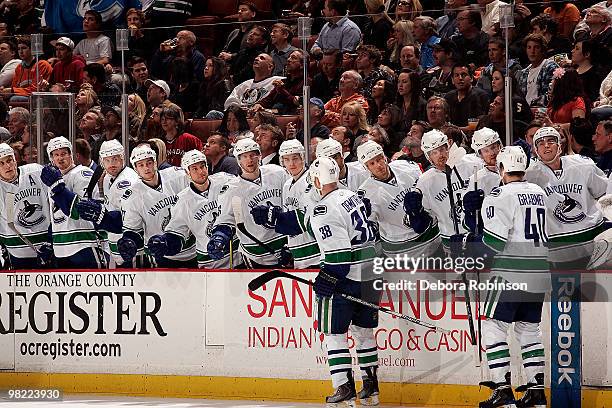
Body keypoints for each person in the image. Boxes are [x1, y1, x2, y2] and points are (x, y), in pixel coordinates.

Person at [464, 146, 549, 408]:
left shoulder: (499, 194)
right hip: (538, 270)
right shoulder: (538, 191)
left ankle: (502, 389)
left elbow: (494, 243)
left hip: (510, 271)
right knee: (529, 329)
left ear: (501, 169)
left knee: (493, 325)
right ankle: (536, 391)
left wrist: (470, 235)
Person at [305, 156, 379, 407]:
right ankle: (370, 386)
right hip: (370, 275)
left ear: (317, 180)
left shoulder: (322, 209)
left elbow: (338, 259)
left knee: (334, 334)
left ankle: (343, 386)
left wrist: (326, 280)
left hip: (346, 279)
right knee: (364, 333)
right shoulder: (351, 196)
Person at [526, 126, 607, 266]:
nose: (546, 145)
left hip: (592, 239)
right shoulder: (529, 176)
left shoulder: (583, 165)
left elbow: (604, 194)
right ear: (535, 149)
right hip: (557, 247)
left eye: (551, 141)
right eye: (540, 143)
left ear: (560, 145)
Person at [147, 150, 241, 269]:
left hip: (237, 256)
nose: (200, 171)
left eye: (202, 166)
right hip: (209, 262)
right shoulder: (182, 200)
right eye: (195, 169)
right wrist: (166, 243)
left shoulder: (225, 181)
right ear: (187, 172)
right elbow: (177, 231)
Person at [207, 138, 289, 268]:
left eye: (252, 155)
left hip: (284, 247)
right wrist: (219, 236)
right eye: (244, 156)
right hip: (254, 254)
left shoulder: (277, 173)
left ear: (259, 156)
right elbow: (226, 219)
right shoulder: (231, 189)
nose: (249, 160)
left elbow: (291, 202)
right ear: (238, 160)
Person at [357, 139, 440, 258]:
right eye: (372, 163)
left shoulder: (406, 167)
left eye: (379, 159)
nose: (378, 165)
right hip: (402, 251)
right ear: (366, 168)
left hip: (432, 237)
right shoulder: (366, 194)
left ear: (385, 157)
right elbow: (367, 231)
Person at [117, 144, 195, 268]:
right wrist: (129, 241)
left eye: (149, 163)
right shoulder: (132, 196)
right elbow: (133, 230)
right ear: (135, 168)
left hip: (192, 249)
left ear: (155, 162)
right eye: (141, 165)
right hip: (161, 255)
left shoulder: (178, 176)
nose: (146, 168)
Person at [403, 129, 479, 248]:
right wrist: (415, 213)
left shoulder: (470, 164)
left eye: (442, 149)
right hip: (450, 241)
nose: (440, 155)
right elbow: (422, 225)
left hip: (477, 236)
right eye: (434, 152)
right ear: (428, 156)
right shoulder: (425, 181)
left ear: (448, 147)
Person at [250, 139, 320, 268]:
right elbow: (289, 212)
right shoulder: (287, 184)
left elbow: (309, 218)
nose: (291, 164)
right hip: (299, 257)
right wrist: (288, 246)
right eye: (286, 160)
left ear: (303, 158)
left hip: (316, 256)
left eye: (295, 158)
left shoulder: (311, 180)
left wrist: (276, 218)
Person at [40, 136, 107, 268]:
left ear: (71, 155)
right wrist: (50, 241)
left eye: (64, 153)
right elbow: (56, 215)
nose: (60, 158)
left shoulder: (82, 173)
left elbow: (79, 211)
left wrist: (59, 189)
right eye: (56, 155)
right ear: (51, 158)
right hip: (61, 249)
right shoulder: (54, 180)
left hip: (84, 244)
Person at [75, 140, 139, 267]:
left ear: (122, 158)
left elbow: (127, 218)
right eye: (107, 160)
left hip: (130, 245)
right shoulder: (107, 178)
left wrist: (101, 216)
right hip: (116, 245)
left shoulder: (127, 180)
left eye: (115, 159)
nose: (111, 164)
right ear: (102, 162)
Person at [0, 143, 51, 269]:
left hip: (48, 246)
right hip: (17, 253)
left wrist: (51, 240)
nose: (7, 166)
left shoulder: (36, 171)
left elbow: (55, 206)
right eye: (1, 163)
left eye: (9, 160)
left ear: (15, 159)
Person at [516, 33, 559, 108]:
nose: (532, 51)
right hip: (526, 112)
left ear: (542, 49)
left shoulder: (550, 67)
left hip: (543, 111)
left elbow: (550, 95)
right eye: (529, 47)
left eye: (536, 47)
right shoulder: (524, 72)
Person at [444, 63, 489, 130]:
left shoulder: (481, 95)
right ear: (452, 80)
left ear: (471, 78)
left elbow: (479, 126)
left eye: (463, 75)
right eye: (456, 75)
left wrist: (456, 129)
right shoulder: (448, 97)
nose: (460, 78)